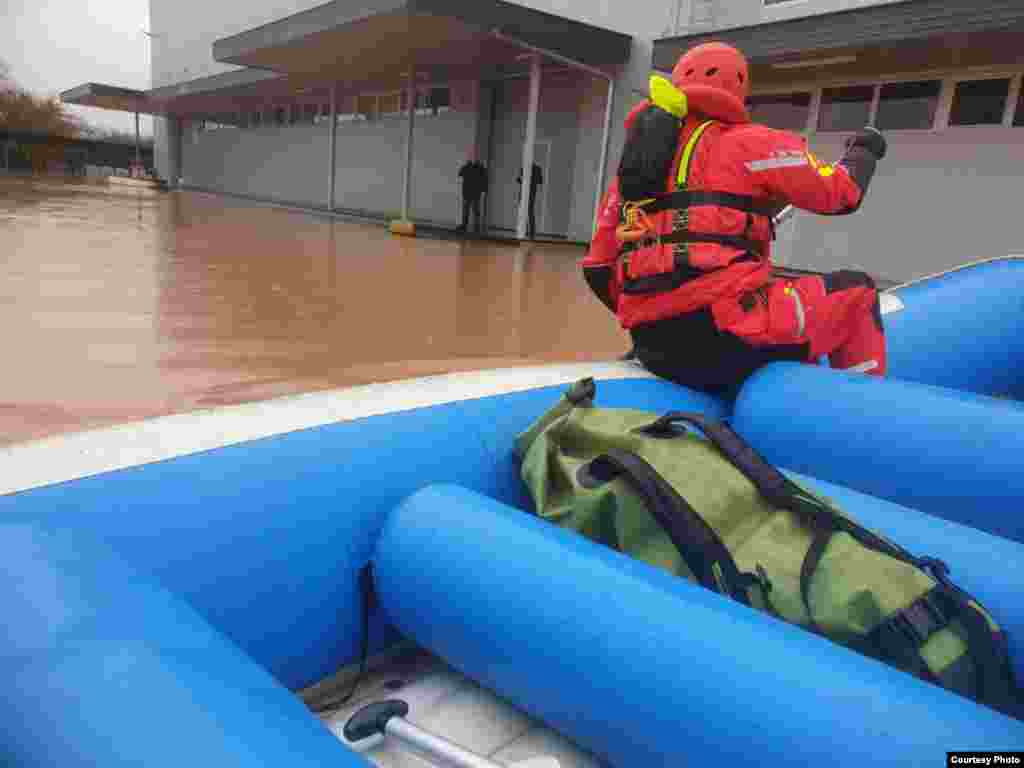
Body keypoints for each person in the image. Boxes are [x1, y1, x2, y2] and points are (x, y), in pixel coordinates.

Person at [582, 41, 888, 396]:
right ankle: (862, 415)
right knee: (860, 292)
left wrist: (658, 313)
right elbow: (842, 194)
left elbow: (597, 268)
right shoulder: (752, 143)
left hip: (651, 346)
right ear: (738, 90)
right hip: (727, 339)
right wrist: (864, 151)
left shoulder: (630, 174)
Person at [456, 156, 488, 234]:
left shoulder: (480, 168)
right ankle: (466, 225)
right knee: (467, 210)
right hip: (468, 192)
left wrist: (484, 190)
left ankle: (475, 226)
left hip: (474, 192)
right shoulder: (471, 167)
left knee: (474, 211)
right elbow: (460, 173)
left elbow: (484, 179)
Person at [515, 162, 544, 239]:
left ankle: (526, 231)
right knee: (529, 212)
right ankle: (530, 232)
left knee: (526, 212)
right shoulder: (537, 168)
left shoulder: (526, 167)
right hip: (531, 193)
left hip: (526, 193)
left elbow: (518, 179)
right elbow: (540, 181)